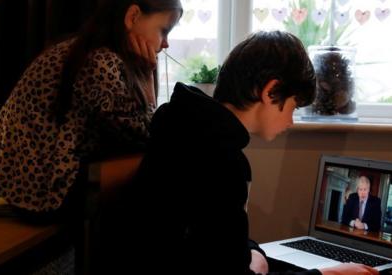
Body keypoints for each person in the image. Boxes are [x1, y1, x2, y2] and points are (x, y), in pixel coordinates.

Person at [116, 31, 378, 274]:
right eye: (293, 107)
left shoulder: (183, 125)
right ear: (270, 91)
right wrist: (325, 274)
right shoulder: (224, 163)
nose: (291, 122)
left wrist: (251, 249)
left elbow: (212, 235)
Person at [0, 0, 183, 218]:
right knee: (168, 160)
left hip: (28, 181)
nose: (166, 44)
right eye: (164, 31)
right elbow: (145, 138)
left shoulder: (85, 49)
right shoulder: (100, 61)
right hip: (43, 189)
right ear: (132, 17)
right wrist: (147, 83)